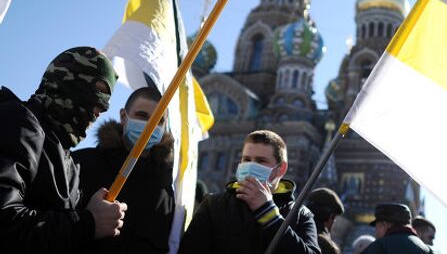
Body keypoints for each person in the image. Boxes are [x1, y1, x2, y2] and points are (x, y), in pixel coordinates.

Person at [0, 47, 128, 252]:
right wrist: (88, 222)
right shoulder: (18, 122)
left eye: (100, 110)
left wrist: (96, 222)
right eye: (93, 97)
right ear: (65, 82)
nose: (95, 114)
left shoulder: (70, 165)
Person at [179, 129, 320, 254]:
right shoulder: (214, 205)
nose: (251, 165)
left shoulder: (300, 215)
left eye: (261, 161)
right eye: (246, 159)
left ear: (281, 169)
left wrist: (270, 215)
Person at [73, 86, 175, 253]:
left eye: (158, 121)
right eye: (142, 116)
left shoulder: (167, 190)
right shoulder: (81, 164)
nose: (149, 126)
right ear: (123, 116)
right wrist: (87, 222)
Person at [361, 203, 434, 254]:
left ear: (384, 225)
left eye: (376, 227)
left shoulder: (378, 247)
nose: (376, 232)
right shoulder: (427, 250)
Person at [305, 187, 345, 254]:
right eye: (334, 218)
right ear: (330, 217)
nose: (334, 221)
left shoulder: (290, 234)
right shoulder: (326, 247)